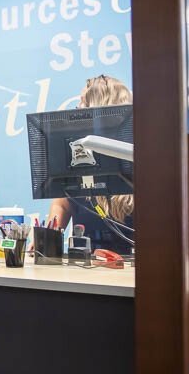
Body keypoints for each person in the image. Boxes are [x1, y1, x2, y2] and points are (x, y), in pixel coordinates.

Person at [47, 74, 135, 255]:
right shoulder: (76, 154)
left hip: (131, 265)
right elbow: (61, 204)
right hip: (86, 260)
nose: (77, 108)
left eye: (83, 103)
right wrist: (47, 239)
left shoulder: (135, 156)